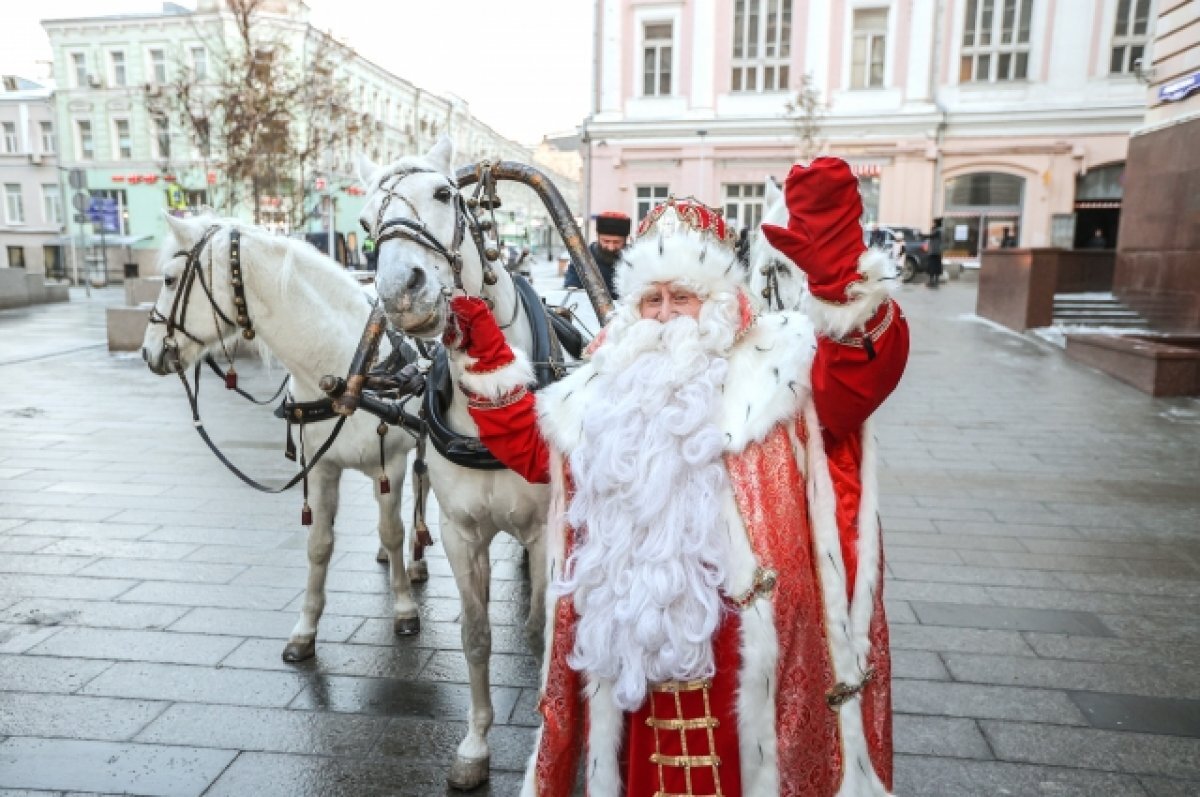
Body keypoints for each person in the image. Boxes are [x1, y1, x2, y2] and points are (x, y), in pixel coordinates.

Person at [444, 158, 908, 796]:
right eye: (652, 299)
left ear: (718, 301)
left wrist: (840, 279)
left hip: (744, 661)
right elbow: (535, 451)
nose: (665, 316)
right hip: (634, 653)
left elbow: (857, 383)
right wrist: (487, 360)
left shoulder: (778, 369)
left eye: (682, 297)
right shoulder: (604, 388)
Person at [565, 210, 630, 298]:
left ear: (626, 240)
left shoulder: (635, 260)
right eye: (606, 241)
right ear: (598, 237)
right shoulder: (582, 260)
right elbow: (572, 292)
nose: (611, 247)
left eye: (617, 242)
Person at [927, 217, 944, 288]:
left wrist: (921, 235)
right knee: (933, 266)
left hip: (936, 251)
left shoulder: (939, 230)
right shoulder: (936, 229)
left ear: (937, 223)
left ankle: (935, 281)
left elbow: (931, 236)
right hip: (935, 251)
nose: (933, 224)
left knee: (934, 266)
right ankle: (932, 281)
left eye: (934, 222)